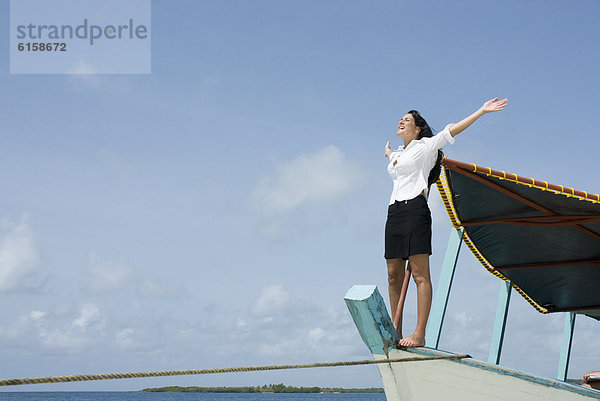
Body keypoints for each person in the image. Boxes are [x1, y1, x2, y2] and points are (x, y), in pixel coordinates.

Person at [384, 97, 508, 347]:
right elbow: (395, 160)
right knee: (393, 275)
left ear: (418, 128)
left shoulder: (427, 146)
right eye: (401, 119)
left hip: (415, 209)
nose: (401, 122)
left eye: (406, 120)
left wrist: (481, 111)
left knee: (419, 274)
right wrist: (389, 153)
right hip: (394, 212)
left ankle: (419, 334)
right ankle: (395, 331)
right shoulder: (399, 153)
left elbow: (451, 130)